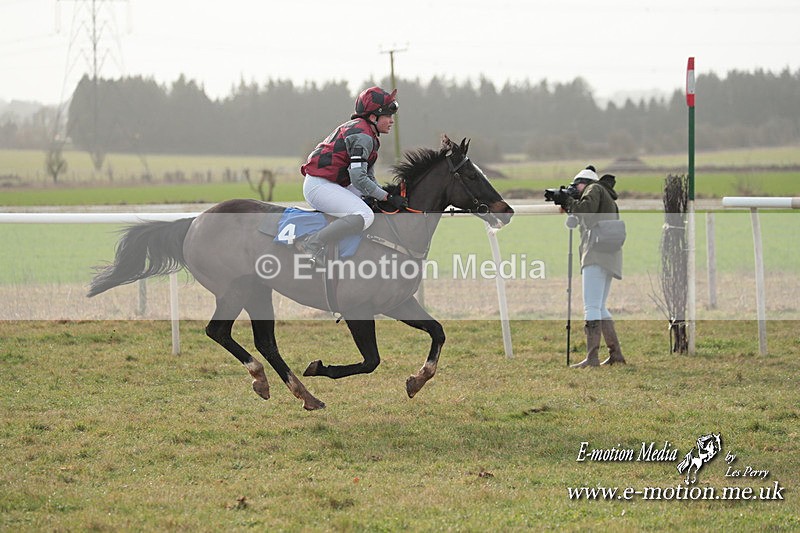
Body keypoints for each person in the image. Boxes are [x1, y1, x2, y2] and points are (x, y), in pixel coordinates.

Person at [298, 86, 407, 264]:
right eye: (388, 115)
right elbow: (358, 178)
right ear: (373, 117)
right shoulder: (363, 136)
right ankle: (312, 243)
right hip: (319, 186)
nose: (392, 121)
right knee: (365, 215)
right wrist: (386, 196)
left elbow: (368, 178)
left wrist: (384, 196)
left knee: (373, 203)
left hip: (333, 183)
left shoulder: (368, 133)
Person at [551, 165, 626, 368]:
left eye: (576, 186)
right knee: (600, 306)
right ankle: (616, 354)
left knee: (591, 307)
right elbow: (588, 216)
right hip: (610, 256)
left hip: (595, 255)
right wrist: (571, 210)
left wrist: (568, 201)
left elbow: (585, 211)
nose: (574, 189)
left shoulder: (594, 188)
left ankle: (592, 358)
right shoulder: (606, 195)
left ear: (584, 183)